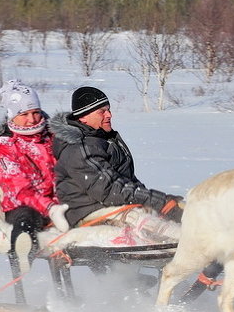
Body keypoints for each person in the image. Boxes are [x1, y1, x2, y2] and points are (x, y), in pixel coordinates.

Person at [50, 86, 184, 244]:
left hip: (111, 206)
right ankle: (200, 245)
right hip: (88, 212)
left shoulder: (103, 139)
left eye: (108, 109)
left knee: (176, 216)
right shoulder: (79, 148)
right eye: (102, 111)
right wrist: (160, 202)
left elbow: (127, 181)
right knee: (159, 227)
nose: (109, 115)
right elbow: (109, 189)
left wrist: (160, 203)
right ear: (83, 117)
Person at [0, 81, 70, 250]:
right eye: (24, 114)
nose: (32, 120)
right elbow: (20, 190)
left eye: (36, 112)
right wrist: (50, 208)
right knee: (25, 222)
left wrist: (62, 202)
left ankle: (113, 270)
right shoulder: (7, 148)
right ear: (12, 115)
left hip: (62, 201)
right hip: (25, 205)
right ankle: (21, 267)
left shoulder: (55, 138)